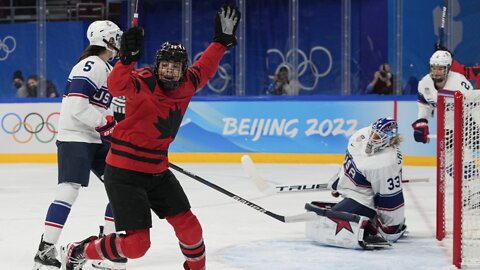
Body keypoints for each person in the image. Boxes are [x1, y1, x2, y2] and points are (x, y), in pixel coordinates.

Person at [60, 4, 241, 270]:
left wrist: (220, 42)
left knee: (191, 228)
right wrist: (126, 59)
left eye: (175, 66)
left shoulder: (188, 83)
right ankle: (81, 249)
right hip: (124, 173)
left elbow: (206, 67)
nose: (169, 70)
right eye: (165, 65)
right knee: (136, 247)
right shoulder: (143, 80)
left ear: (183, 69)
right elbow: (116, 85)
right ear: (157, 66)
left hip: (157, 171)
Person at [32, 20, 125, 270]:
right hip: (75, 135)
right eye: (116, 37)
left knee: (123, 186)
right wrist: (104, 123)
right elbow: (76, 106)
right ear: (106, 40)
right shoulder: (91, 65)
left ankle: (107, 249)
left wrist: (110, 123)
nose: (120, 42)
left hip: (94, 137)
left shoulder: (106, 67)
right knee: (69, 189)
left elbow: (100, 108)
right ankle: (46, 249)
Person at [305, 117, 406, 249]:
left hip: (364, 199)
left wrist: (391, 229)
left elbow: (390, 198)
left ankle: (372, 219)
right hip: (354, 190)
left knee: (329, 223)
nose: (371, 138)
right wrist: (339, 180)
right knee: (329, 219)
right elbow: (349, 161)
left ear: (388, 139)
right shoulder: (361, 136)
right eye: (373, 132)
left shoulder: (385, 164)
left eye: (377, 137)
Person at [411, 50, 473, 144]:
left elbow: (475, 105)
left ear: (448, 68)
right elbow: (424, 105)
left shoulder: (460, 83)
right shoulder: (424, 83)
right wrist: (422, 122)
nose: (436, 72)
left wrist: (471, 127)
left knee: (466, 157)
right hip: (447, 127)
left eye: (440, 69)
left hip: (468, 125)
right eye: (433, 68)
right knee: (447, 157)